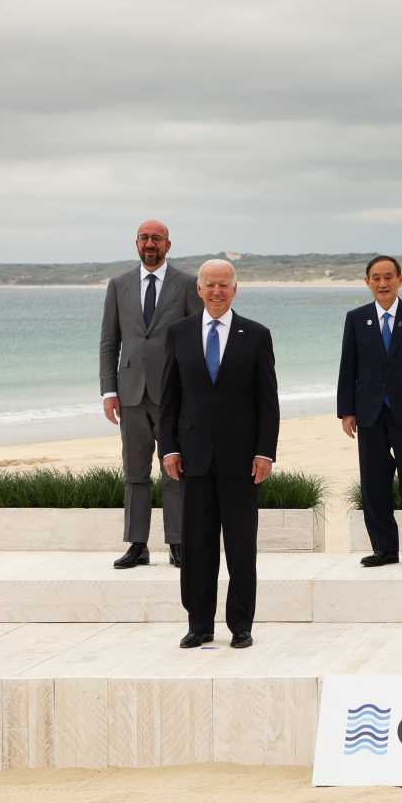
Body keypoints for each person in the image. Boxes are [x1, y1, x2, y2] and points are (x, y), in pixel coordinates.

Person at [160, 259, 279, 650]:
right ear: (198, 289)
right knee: (197, 546)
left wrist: (265, 452)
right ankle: (199, 624)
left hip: (242, 460)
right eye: (209, 284)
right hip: (192, 458)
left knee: (242, 546)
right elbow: (169, 399)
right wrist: (169, 448)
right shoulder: (179, 334)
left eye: (223, 285)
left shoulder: (257, 335)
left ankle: (241, 625)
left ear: (235, 289)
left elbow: (267, 402)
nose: (216, 291)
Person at [100, 219, 201, 569]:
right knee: (134, 471)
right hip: (129, 394)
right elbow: (109, 342)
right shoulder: (119, 285)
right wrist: (108, 391)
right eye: (144, 238)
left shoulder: (187, 285)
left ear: (168, 245)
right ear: (136, 243)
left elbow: (196, 341)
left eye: (156, 238)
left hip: (174, 395)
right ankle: (137, 544)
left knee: (174, 469)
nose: (150, 244)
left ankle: (177, 541)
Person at [336, 254, 402, 568]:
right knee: (373, 483)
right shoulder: (356, 318)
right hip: (369, 413)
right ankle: (384, 548)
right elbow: (348, 366)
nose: (382, 283)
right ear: (368, 282)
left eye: (388, 277)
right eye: (376, 278)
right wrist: (346, 411)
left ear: (400, 280)